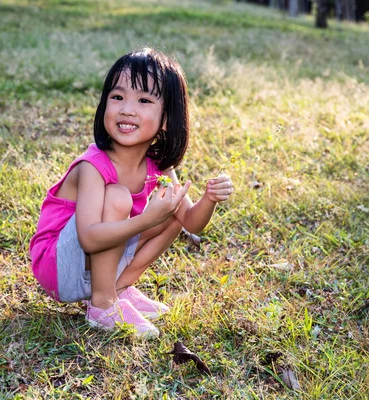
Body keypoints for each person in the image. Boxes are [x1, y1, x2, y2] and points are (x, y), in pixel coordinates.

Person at [29, 48, 234, 337]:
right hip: (58, 266)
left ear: (166, 120)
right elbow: (88, 236)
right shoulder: (93, 166)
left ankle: (119, 289)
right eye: (117, 97)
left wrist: (209, 199)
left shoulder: (158, 166)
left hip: (94, 261)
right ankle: (103, 304)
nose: (127, 108)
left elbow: (190, 221)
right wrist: (146, 220)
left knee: (172, 208)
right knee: (118, 197)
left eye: (144, 100)